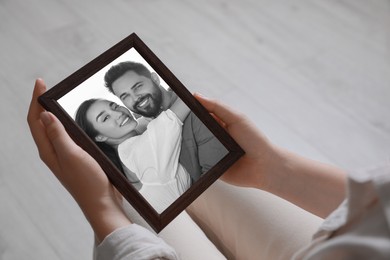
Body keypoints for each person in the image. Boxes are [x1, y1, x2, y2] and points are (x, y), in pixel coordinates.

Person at [28, 79, 390, 259]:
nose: (121, 109)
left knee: (132, 201)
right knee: (206, 177)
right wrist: (274, 168)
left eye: (114, 105)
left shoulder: (147, 136)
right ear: (97, 135)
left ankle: (122, 200)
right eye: (107, 115)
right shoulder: (139, 144)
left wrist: (101, 210)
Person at [104, 61, 228, 182]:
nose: (135, 97)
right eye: (125, 96)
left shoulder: (196, 115)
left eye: (138, 86)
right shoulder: (141, 130)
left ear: (155, 79)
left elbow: (217, 180)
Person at [74, 97, 192, 213]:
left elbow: (145, 121)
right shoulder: (132, 151)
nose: (118, 113)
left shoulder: (123, 155)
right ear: (99, 137)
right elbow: (187, 99)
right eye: (105, 118)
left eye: (115, 106)